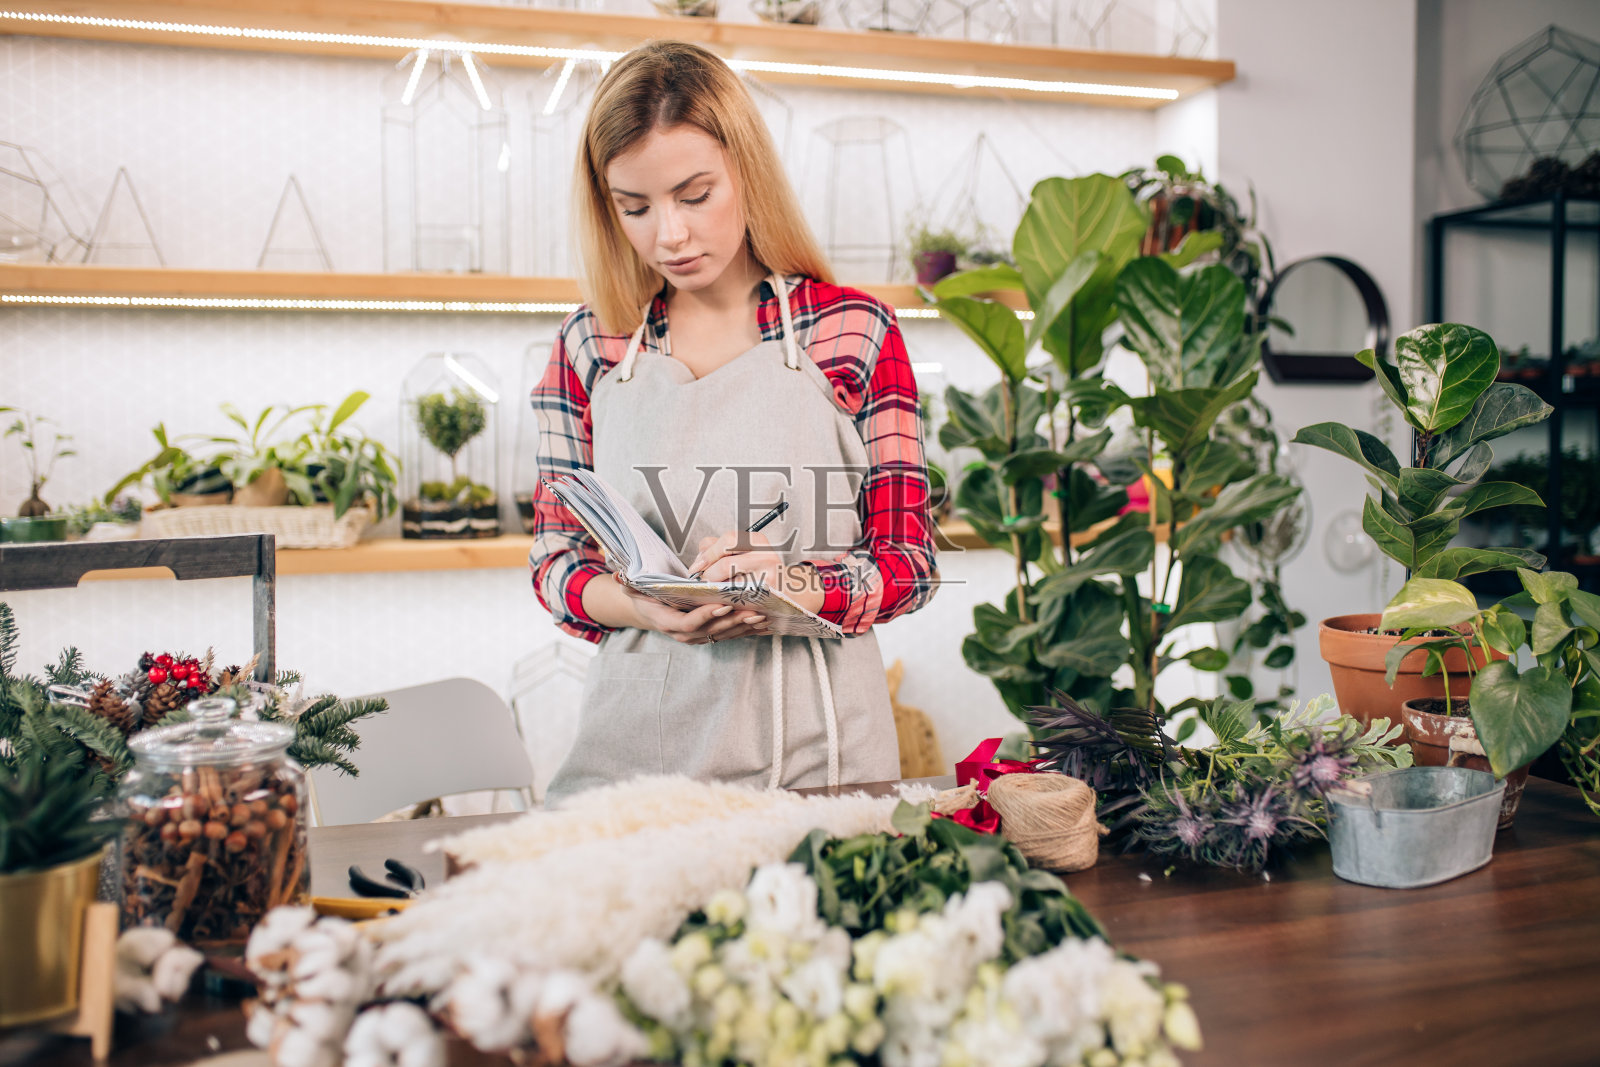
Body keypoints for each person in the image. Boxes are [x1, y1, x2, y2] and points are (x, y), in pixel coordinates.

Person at [528, 40, 937, 805]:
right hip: (633, 766)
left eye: (694, 194)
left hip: (822, 767)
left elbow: (909, 564)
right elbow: (555, 563)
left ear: (746, 169)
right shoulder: (590, 344)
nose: (669, 236)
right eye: (635, 207)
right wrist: (641, 605)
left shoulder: (852, 332)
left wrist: (790, 586)